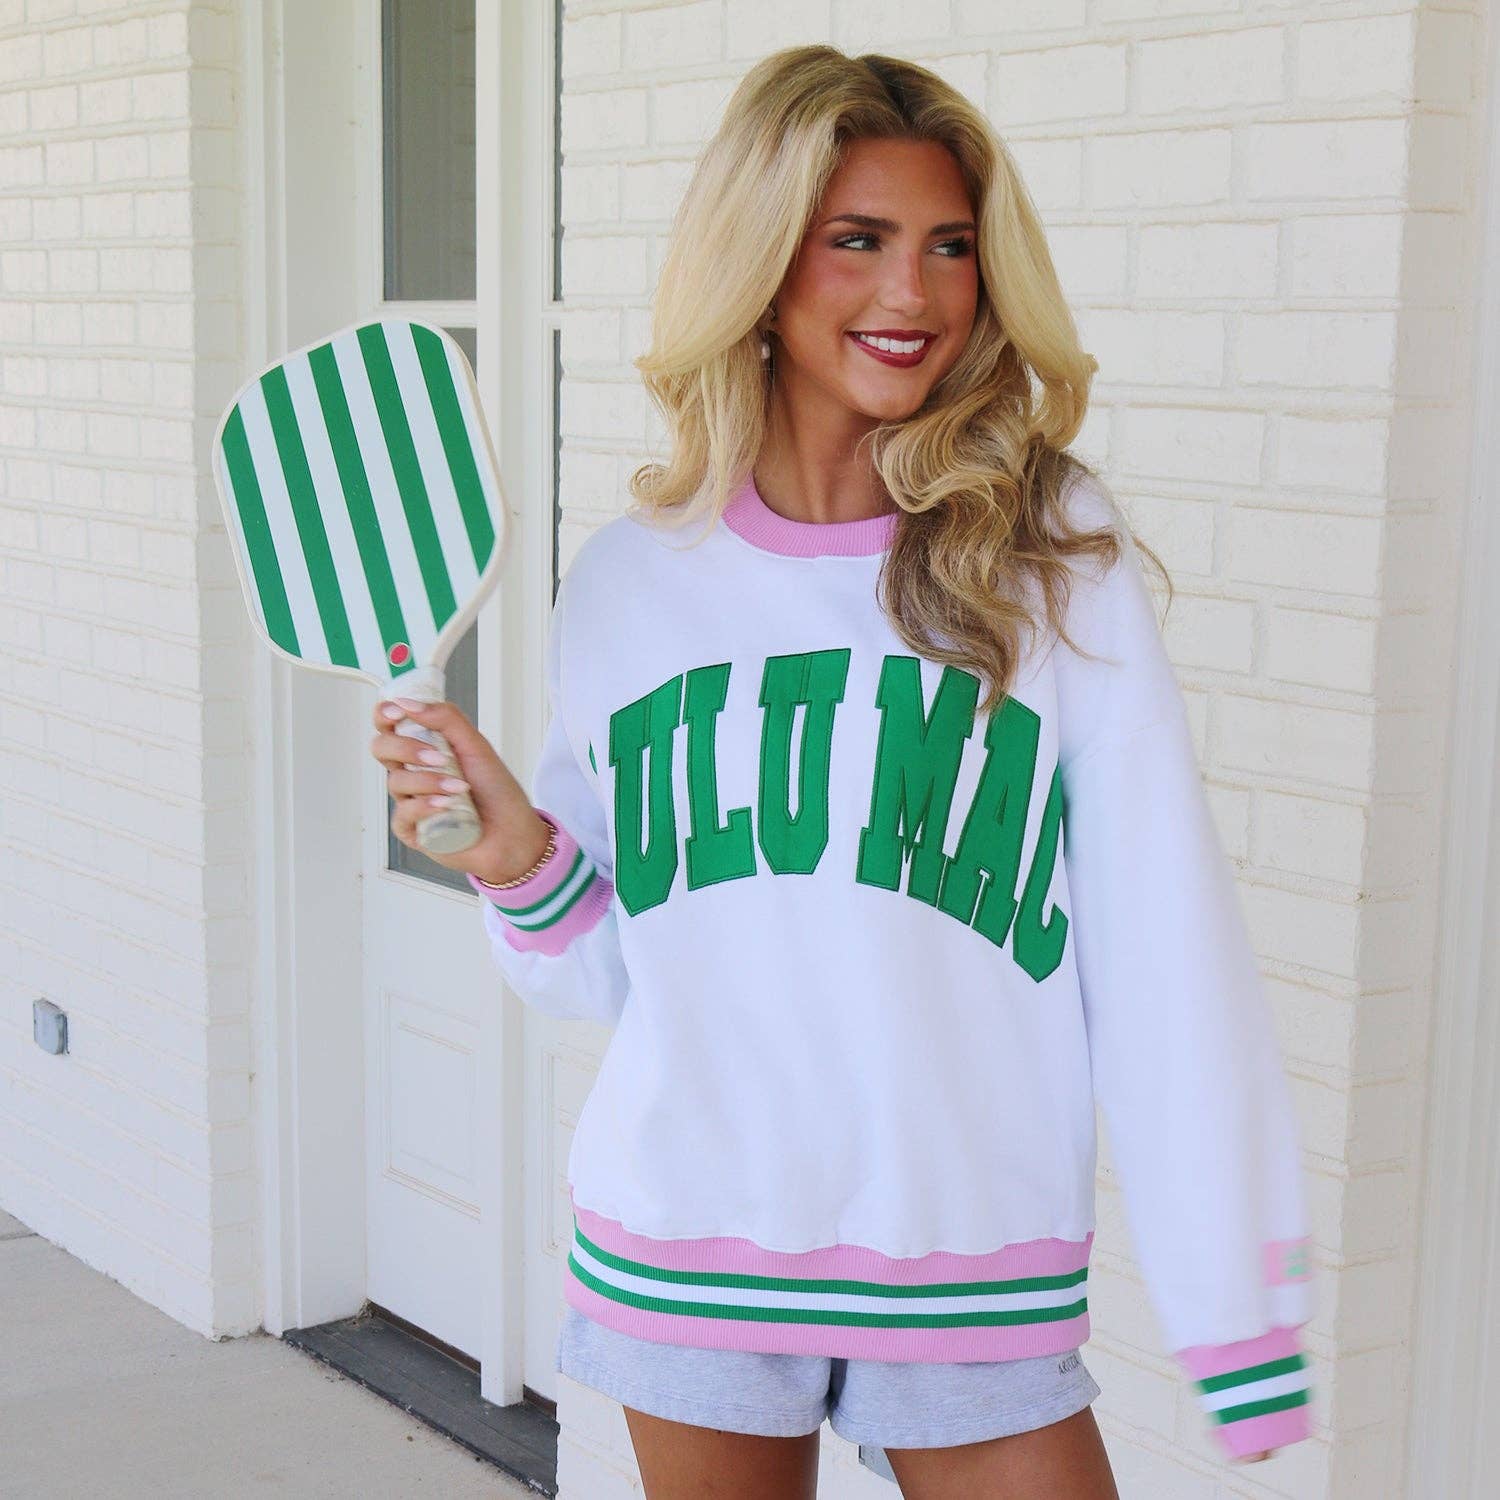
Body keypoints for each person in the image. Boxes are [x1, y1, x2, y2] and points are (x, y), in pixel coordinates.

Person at [369, 44, 1314, 1500]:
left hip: (968, 1251)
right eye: (857, 240)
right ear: (759, 265)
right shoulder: (631, 581)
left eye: (950, 247)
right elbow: (610, 972)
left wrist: (1234, 1308)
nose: (913, 294)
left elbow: (1165, 942)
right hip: (691, 1239)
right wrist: (517, 861)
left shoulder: (1050, 555)